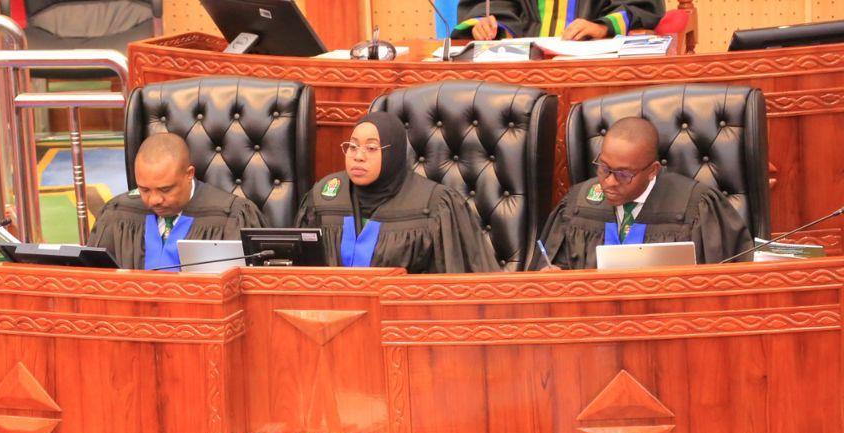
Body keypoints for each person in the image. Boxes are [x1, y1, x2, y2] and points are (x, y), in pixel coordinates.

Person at [294, 112, 499, 274]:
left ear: (393, 153)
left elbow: (462, 283)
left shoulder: (436, 205)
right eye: (353, 146)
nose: (358, 156)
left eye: (371, 148)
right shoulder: (324, 198)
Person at [539, 116, 752, 270]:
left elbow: (728, 278)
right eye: (604, 168)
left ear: (652, 171)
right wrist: (553, 275)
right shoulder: (577, 205)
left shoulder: (696, 207)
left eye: (623, 174)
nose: (609, 182)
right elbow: (551, 271)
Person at [87, 132, 265, 271]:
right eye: (144, 189)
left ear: (189, 174)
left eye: (165, 189)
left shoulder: (231, 217)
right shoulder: (116, 214)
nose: (154, 200)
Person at [455, 0, 663, 40]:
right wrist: (490, 27)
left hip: (593, 62)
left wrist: (602, 27)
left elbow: (640, 5)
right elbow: (491, 6)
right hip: (523, 64)